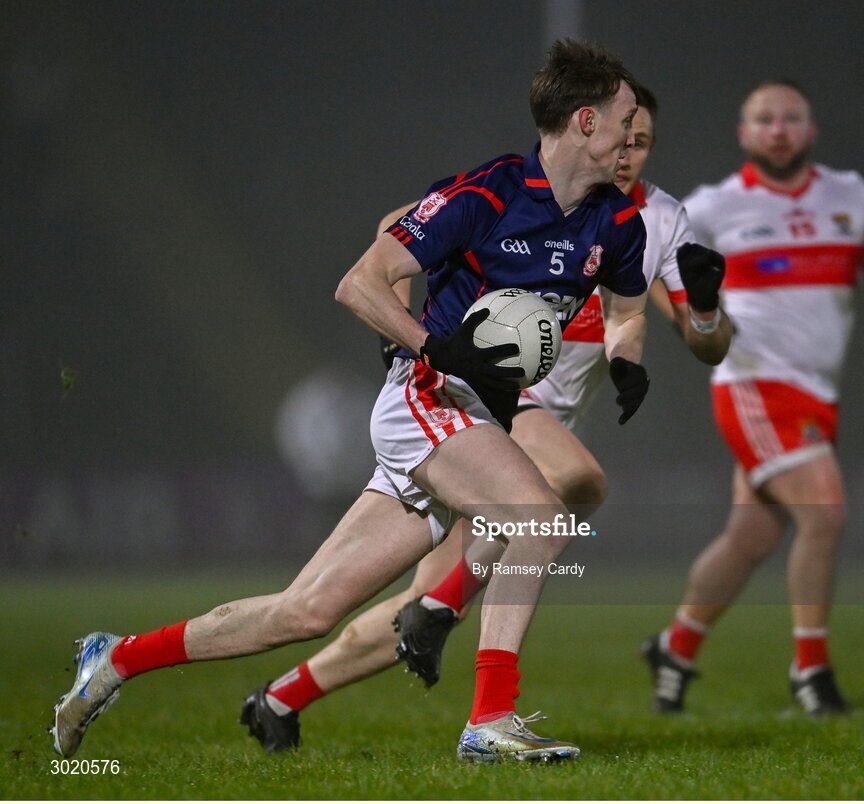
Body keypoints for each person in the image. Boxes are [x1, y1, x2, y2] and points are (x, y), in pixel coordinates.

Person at [52, 38, 652, 764]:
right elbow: (361, 281)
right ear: (584, 122)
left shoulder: (616, 224)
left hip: (477, 419)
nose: (633, 133)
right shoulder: (488, 193)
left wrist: (630, 357)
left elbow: (621, 309)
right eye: (624, 118)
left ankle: (115, 659)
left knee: (303, 612)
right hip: (427, 398)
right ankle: (489, 718)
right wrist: (428, 343)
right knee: (540, 513)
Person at [237, 85, 733, 753]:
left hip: (510, 448)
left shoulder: (655, 223)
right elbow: (397, 226)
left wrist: (699, 310)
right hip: (487, 406)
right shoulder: (531, 197)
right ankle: (449, 623)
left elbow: (696, 339)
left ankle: (282, 697)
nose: (626, 153)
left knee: (410, 607)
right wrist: (403, 337)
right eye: (622, 135)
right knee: (581, 481)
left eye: (640, 143)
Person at [642, 78, 864, 716]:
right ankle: (811, 672)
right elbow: (655, 264)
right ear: (745, 134)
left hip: (818, 391)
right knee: (825, 512)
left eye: (791, 117)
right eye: (764, 118)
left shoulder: (853, 194)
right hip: (755, 382)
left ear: (810, 130)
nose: (778, 128)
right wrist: (690, 322)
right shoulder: (714, 207)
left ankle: (674, 648)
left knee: (751, 538)